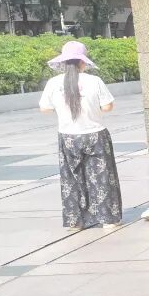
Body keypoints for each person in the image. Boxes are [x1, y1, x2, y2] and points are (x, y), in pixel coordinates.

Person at [38, 41, 122, 232]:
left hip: (68, 136)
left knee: (71, 178)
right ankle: (108, 219)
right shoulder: (94, 81)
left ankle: (75, 221)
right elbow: (107, 106)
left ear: (63, 62)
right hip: (95, 134)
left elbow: (44, 108)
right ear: (82, 62)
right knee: (102, 177)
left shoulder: (54, 83)